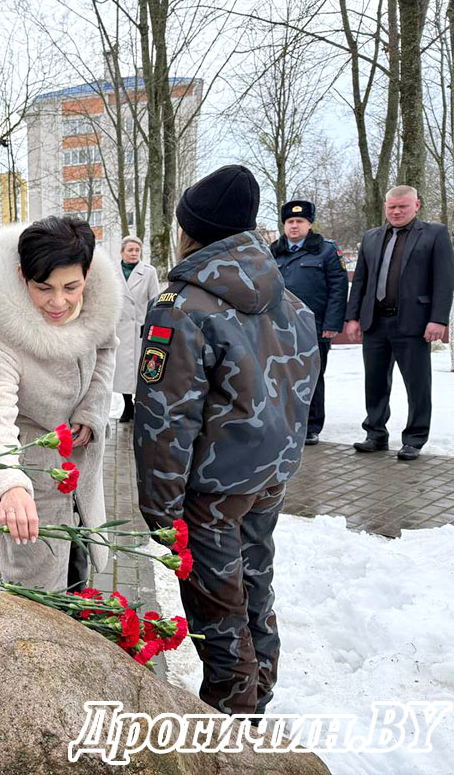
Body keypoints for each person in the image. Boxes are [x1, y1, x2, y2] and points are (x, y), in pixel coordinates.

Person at [134, 165, 319, 717]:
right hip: (268, 477)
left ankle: (231, 722)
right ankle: (259, 694)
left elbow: (164, 422)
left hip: (211, 490)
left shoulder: (181, 308)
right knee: (256, 585)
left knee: (217, 610)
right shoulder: (291, 302)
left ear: (190, 229)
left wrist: (162, 515)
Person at [0, 217, 120, 591]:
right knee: (37, 597)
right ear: (22, 276)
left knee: (78, 573)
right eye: (43, 288)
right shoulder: (3, 334)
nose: (58, 302)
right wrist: (8, 484)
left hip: (81, 473)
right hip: (33, 480)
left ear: (87, 275)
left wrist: (91, 410)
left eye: (71, 287)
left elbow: (105, 352)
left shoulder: (96, 309)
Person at [345, 185, 454, 461]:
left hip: (414, 323)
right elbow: (360, 281)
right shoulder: (371, 237)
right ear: (385, 207)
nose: (396, 211)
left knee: (417, 386)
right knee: (375, 383)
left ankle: (414, 439)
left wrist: (438, 319)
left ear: (416, 205)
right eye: (392, 206)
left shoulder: (434, 234)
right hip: (375, 322)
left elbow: (444, 280)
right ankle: (375, 434)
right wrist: (352, 317)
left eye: (403, 206)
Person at [270, 200, 348, 445]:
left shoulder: (326, 250)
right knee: (281, 375)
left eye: (300, 221)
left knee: (312, 376)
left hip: (314, 326)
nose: (294, 226)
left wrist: (332, 324)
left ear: (310, 224)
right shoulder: (273, 251)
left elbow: (338, 289)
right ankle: (285, 423)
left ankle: (311, 426)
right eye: (290, 222)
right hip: (279, 327)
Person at [112, 235, 161, 424]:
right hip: (120, 328)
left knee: (142, 369)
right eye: (130, 250)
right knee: (123, 371)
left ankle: (139, 403)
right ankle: (127, 406)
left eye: (137, 250)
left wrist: (151, 324)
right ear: (122, 252)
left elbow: (155, 300)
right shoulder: (113, 272)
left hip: (140, 328)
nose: (134, 253)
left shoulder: (149, 272)